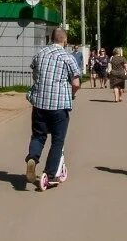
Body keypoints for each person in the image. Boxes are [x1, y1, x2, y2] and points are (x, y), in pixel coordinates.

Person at [25, 27, 82, 190]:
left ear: (51, 38)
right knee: (57, 140)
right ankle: (50, 175)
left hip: (39, 103)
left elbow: (35, 75)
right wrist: (71, 94)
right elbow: (76, 83)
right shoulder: (68, 57)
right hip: (59, 105)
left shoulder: (40, 53)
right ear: (64, 40)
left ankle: (33, 158)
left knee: (38, 135)